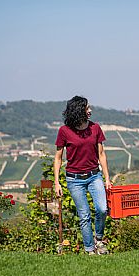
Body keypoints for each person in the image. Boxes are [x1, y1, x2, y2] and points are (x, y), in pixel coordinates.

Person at [54, 96, 112, 255]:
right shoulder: (64, 131)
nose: (90, 111)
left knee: (102, 209)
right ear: (79, 110)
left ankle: (98, 240)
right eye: (87, 108)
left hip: (94, 176)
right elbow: (58, 158)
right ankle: (89, 250)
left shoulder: (95, 128)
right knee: (84, 215)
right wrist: (57, 182)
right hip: (74, 180)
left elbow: (101, 154)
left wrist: (107, 178)